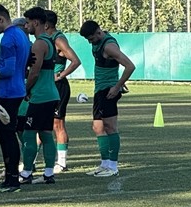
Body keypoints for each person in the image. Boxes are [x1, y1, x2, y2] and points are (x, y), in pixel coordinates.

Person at [0, 4, 32, 192]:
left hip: (8, 93)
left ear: (2, 19)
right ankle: (11, 176)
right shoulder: (21, 35)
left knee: (6, 134)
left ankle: (12, 178)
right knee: (6, 133)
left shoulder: (8, 39)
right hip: (17, 89)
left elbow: (8, 70)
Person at [79, 19, 135, 177]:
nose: (90, 42)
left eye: (91, 38)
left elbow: (130, 66)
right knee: (98, 127)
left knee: (110, 127)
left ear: (98, 32)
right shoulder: (96, 42)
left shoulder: (109, 46)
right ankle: (104, 164)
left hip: (108, 91)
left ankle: (113, 166)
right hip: (99, 90)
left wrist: (117, 86)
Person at [18, 6, 62, 186]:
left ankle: (27, 172)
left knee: (28, 135)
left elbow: (34, 73)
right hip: (50, 94)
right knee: (45, 133)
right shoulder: (49, 40)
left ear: (35, 22)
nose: (26, 25)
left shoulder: (39, 43)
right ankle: (48, 173)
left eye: (27, 22)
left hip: (41, 96)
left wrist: (25, 90)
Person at [44, 10, 81, 172]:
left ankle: (62, 162)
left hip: (58, 87)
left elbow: (75, 60)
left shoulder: (58, 39)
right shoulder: (45, 39)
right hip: (46, 87)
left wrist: (60, 75)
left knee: (57, 124)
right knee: (42, 124)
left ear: (46, 24)